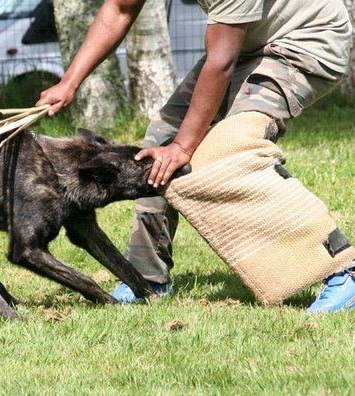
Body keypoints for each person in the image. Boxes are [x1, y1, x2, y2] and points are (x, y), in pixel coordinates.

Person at [36, 0, 354, 312]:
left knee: (231, 148)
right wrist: (69, 82)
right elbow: (119, 9)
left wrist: (183, 147)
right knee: (159, 143)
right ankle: (147, 277)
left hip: (306, 40)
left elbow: (221, 62)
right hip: (247, 44)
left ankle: (345, 269)